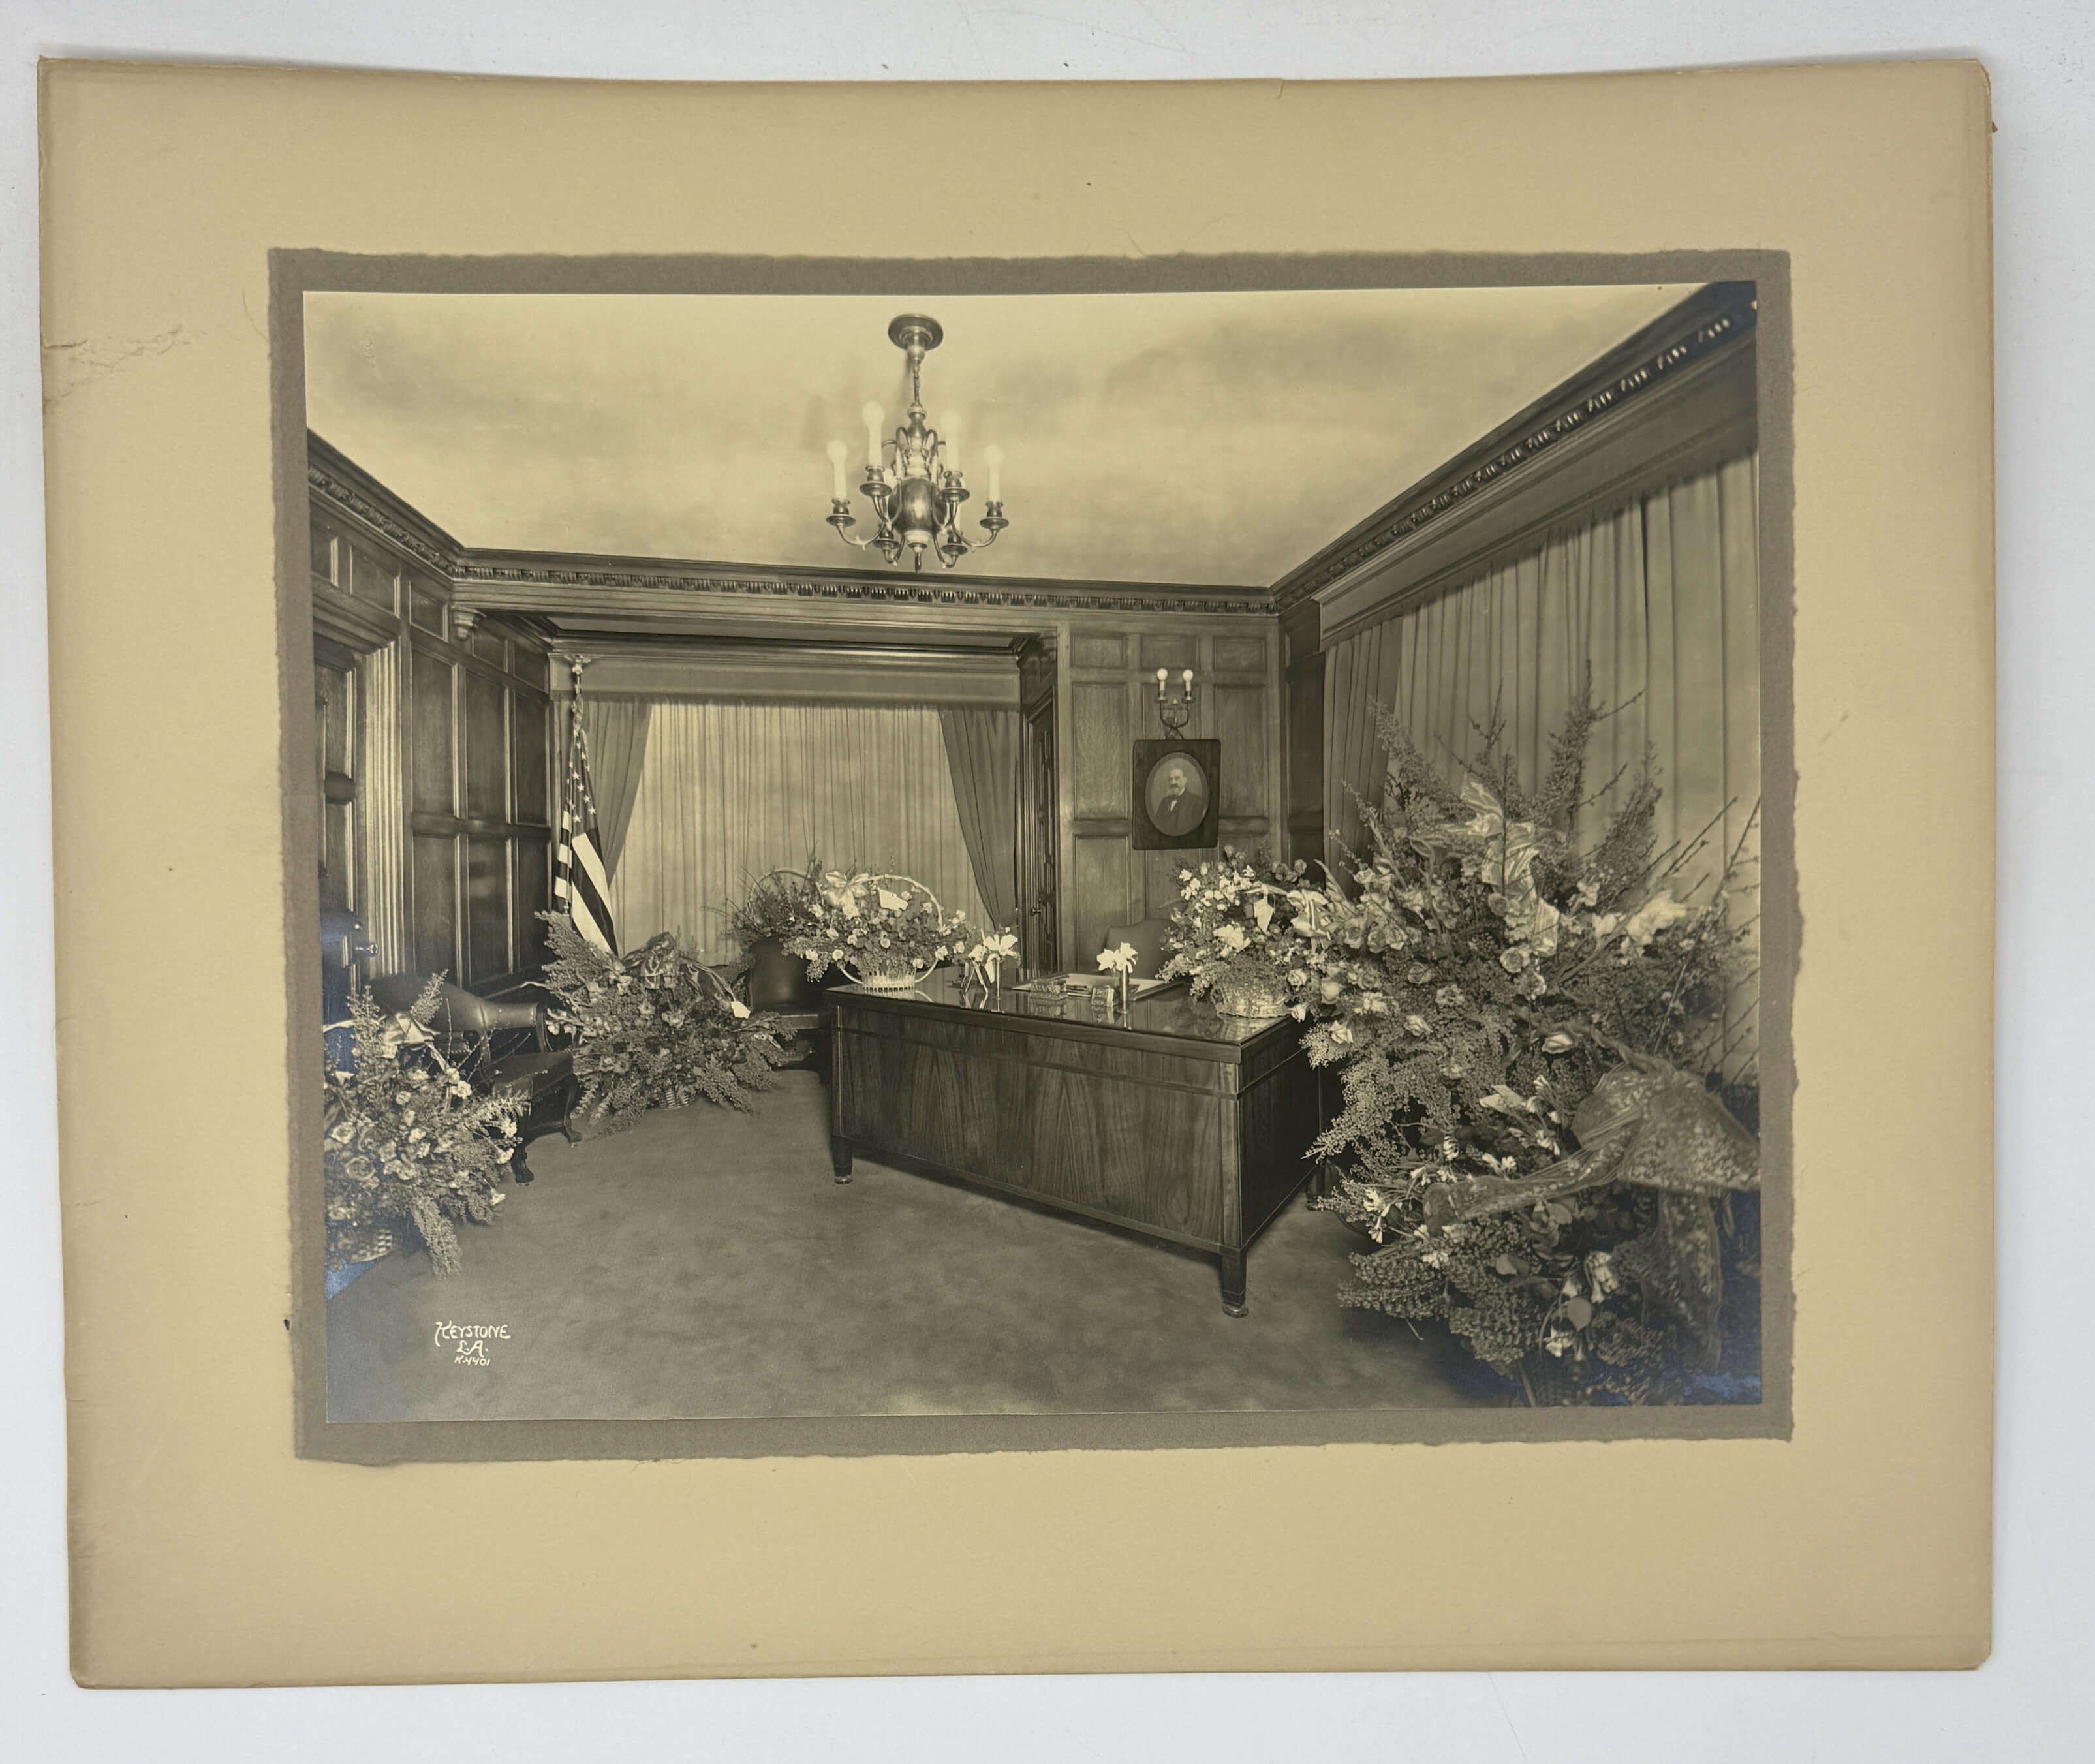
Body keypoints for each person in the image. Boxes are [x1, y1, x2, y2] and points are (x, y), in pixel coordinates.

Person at [1147, 754, 1208, 837]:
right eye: (1170, 779)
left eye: (1177, 778)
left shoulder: (1196, 801)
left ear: (1185, 781)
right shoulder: (1164, 802)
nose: (1173, 783)